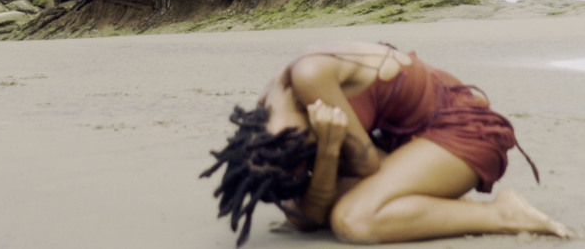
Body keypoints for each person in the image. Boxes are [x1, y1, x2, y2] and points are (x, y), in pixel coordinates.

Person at [200, 40, 573, 246]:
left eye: (305, 155)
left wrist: (329, 151)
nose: (307, 163)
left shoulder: (309, 75)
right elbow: (304, 217)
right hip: (404, 144)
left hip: (460, 129)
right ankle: (422, 197)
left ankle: (501, 214)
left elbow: (367, 166)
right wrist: (324, 158)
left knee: (353, 219)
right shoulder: (269, 128)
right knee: (318, 206)